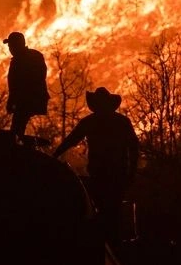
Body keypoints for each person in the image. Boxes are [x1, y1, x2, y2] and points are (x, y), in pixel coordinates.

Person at [53, 87, 139, 245]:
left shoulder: (90, 122)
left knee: (103, 211)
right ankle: (111, 244)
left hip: (102, 175)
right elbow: (134, 148)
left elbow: (71, 140)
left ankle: (105, 244)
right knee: (112, 211)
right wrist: (131, 172)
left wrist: (54, 156)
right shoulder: (121, 122)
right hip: (115, 174)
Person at [3, 31, 50, 144]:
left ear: (17, 45)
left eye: (11, 45)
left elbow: (16, 85)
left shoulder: (19, 60)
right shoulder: (35, 55)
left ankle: (17, 147)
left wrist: (12, 101)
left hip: (27, 100)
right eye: (9, 46)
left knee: (16, 128)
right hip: (32, 99)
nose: (10, 48)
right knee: (18, 126)